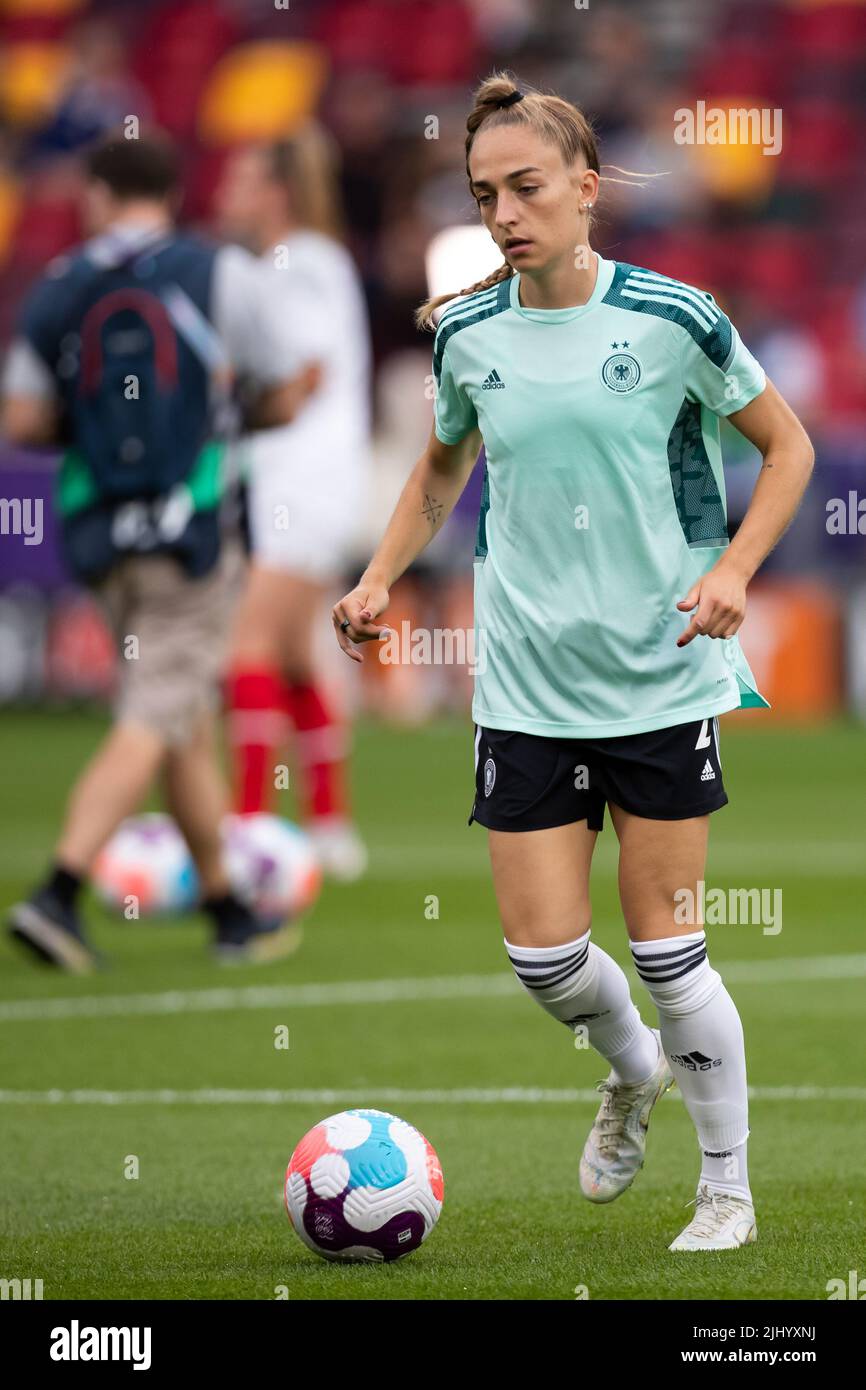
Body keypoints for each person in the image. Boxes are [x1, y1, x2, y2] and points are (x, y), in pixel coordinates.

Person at [332, 74, 814, 1252]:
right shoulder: (464, 331)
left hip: (660, 674)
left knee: (666, 946)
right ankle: (631, 1070)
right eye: (483, 192)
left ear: (586, 190)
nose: (503, 212)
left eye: (526, 187)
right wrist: (381, 575)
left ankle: (724, 1190)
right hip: (527, 683)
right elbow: (441, 469)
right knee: (543, 959)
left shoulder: (674, 318)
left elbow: (786, 446)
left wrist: (738, 570)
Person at [2, 130, 315, 970]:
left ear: (98, 196)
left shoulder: (59, 286)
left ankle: (224, 908)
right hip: (193, 522)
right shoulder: (218, 271)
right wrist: (222, 418)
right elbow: (289, 387)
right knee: (155, 711)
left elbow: (25, 420)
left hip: (98, 527)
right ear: (171, 194)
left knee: (179, 713)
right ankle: (59, 892)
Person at [216, 125, 372, 879]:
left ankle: (245, 825)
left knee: (247, 643)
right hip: (309, 481)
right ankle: (330, 824)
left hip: (298, 481)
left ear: (275, 192)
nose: (225, 195)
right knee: (294, 651)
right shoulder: (304, 262)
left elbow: (303, 375)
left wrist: (223, 407)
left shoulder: (298, 263)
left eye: (241, 181)